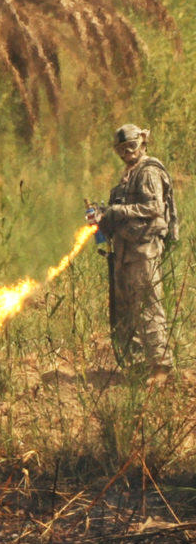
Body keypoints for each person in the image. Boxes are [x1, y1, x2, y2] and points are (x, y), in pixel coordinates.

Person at [96, 124, 177, 381]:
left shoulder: (149, 170)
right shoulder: (127, 175)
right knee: (126, 310)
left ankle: (160, 367)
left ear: (142, 143)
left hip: (144, 249)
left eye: (130, 146)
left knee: (149, 307)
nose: (126, 153)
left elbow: (153, 206)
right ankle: (139, 366)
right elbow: (119, 212)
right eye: (120, 149)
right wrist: (103, 217)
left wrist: (119, 212)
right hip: (124, 252)